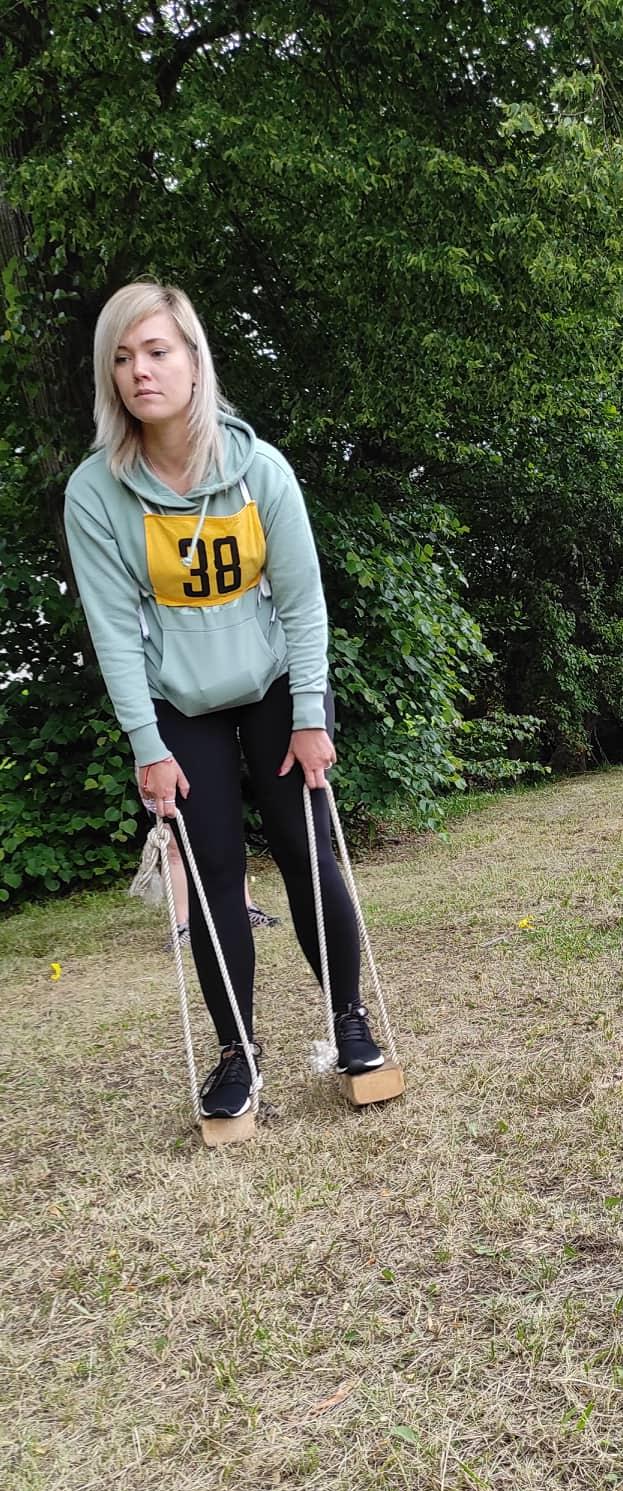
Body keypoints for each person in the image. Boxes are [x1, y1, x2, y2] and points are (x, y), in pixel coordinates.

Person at [65, 281, 385, 1119]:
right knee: (209, 880)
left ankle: (349, 1020)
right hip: (181, 705)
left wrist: (312, 714)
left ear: (196, 360)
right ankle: (237, 1051)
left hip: (275, 690)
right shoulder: (95, 494)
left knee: (304, 850)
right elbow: (113, 631)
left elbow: (304, 601)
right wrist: (146, 744)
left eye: (158, 351)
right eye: (123, 358)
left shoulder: (261, 470)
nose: (140, 372)